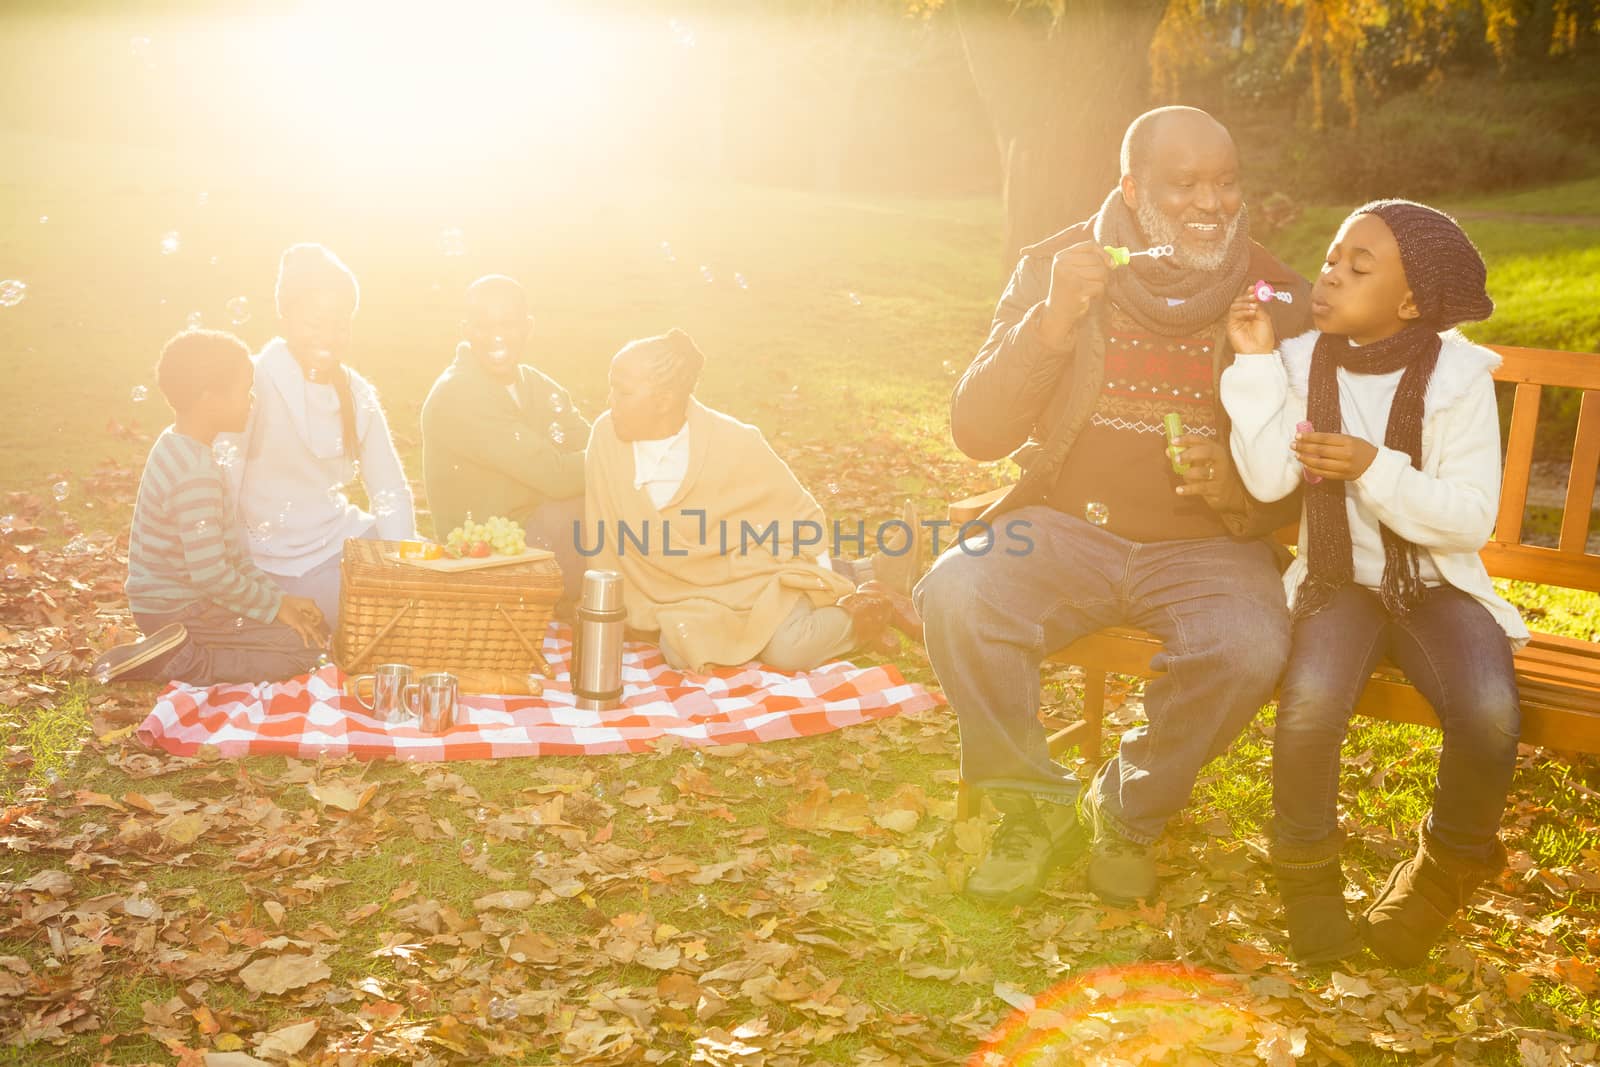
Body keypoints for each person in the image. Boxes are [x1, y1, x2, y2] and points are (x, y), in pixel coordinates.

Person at [915, 105, 1313, 908]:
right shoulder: (1057, 268)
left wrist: (1235, 489)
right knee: (958, 591)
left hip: (1208, 547)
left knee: (1246, 643)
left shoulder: (1275, 290)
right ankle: (1034, 805)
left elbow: (1317, 455)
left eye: (1226, 182)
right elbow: (978, 431)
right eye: (1186, 183)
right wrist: (1055, 319)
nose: (1212, 203)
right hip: (1066, 529)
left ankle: (1127, 808)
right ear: (1132, 189)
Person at [1221, 199, 1526, 966]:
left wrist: (1372, 466)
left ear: (1411, 301)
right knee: (1311, 703)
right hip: (1339, 580)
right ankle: (1308, 876)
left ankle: (1442, 872)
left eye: (1359, 268)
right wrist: (1256, 361)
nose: (1329, 278)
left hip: (1438, 584)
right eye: (1330, 260)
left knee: (1489, 711)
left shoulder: (1458, 380)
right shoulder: (1298, 362)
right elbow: (1264, 482)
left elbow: (1468, 519)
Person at [583, 329, 917, 674]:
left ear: (664, 400)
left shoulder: (735, 442)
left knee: (788, 653)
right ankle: (854, 598)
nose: (609, 399)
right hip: (688, 599)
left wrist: (819, 585)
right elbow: (606, 537)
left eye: (621, 390)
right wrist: (614, 607)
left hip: (756, 579)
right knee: (681, 649)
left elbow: (802, 519)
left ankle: (871, 609)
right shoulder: (606, 439)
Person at [90, 330, 328, 686]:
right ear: (209, 399)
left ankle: (173, 649)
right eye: (244, 390)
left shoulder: (176, 445)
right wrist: (275, 608)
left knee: (307, 631)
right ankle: (184, 662)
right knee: (305, 650)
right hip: (181, 608)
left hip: (169, 603)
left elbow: (231, 558)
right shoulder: (195, 474)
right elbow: (212, 575)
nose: (251, 401)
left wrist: (280, 600)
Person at [228, 244, 416, 625]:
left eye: (340, 324)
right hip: (273, 563)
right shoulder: (250, 384)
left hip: (340, 541)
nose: (328, 337)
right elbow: (224, 489)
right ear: (283, 319)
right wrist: (241, 580)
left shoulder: (354, 391)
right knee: (376, 617)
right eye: (315, 323)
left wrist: (404, 568)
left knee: (433, 574)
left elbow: (389, 489)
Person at [421, 275, 590, 600]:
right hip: (484, 555)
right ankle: (570, 618)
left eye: (508, 324)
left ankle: (629, 608)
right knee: (577, 511)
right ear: (466, 330)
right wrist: (618, 458)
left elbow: (586, 439)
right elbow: (555, 476)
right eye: (483, 326)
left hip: (531, 533)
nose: (496, 337)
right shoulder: (459, 394)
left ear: (528, 326)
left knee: (613, 502)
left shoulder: (536, 385)